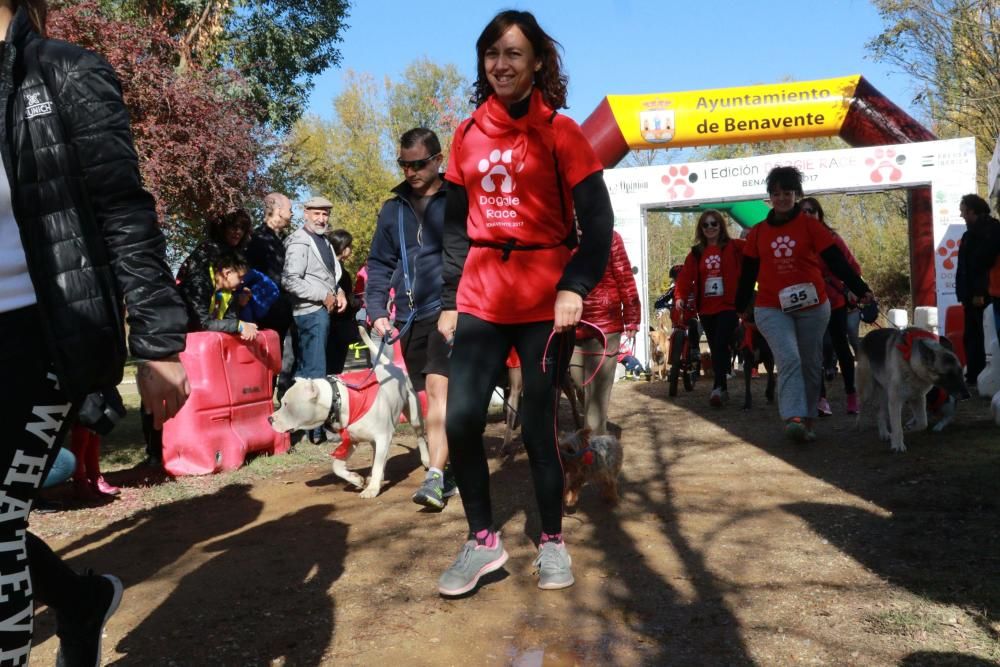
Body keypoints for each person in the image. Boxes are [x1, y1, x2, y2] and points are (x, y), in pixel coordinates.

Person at [0, 1, 191, 662]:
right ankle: (79, 602)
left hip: (50, 333)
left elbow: (123, 209)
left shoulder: (66, 74)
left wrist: (160, 341)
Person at [436, 10, 612, 596]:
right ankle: (483, 541)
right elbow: (455, 228)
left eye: (513, 53)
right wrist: (448, 296)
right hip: (482, 293)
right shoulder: (465, 134)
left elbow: (598, 222)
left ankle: (553, 544)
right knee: (459, 419)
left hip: (544, 299)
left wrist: (574, 286)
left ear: (538, 61)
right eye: (492, 53)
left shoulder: (562, 134)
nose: (501, 64)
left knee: (537, 425)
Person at [735, 166, 871, 443]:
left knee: (811, 363)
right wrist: (741, 305)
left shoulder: (811, 226)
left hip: (812, 305)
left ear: (796, 195)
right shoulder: (758, 233)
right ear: (769, 197)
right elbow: (748, 272)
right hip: (772, 306)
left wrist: (860, 289)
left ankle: (808, 418)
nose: (782, 198)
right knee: (789, 358)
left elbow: (836, 260)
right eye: (776, 193)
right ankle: (793, 417)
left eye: (787, 193)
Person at [366, 127, 456, 509]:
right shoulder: (393, 209)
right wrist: (375, 311)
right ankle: (449, 466)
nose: (411, 171)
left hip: (451, 311)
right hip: (407, 317)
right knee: (427, 396)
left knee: (439, 392)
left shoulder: (459, 200)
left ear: (438, 160)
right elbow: (380, 263)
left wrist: (457, 304)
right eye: (404, 164)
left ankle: (434, 475)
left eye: (418, 164)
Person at [282, 196, 348, 443]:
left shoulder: (323, 241)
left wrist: (338, 292)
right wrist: (323, 296)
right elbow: (289, 280)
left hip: (322, 312)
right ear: (305, 213)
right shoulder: (300, 241)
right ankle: (315, 429)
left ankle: (316, 426)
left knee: (318, 371)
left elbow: (330, 277)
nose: (321, 219)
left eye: (325, 214)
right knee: (314, 372)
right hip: (309, 312)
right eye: (316, 214)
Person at [569, 230, 640, 433]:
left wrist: (632, 319)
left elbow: (625, 277)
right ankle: (595, 430)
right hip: (572, 323)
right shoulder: (562, 236)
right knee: (580, 383)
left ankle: (595, 453)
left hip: (605, 324)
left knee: (597, 394)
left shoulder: (611, 237)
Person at [800, 197, 863, 415]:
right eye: (803, 211)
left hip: (834, 300)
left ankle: (851, 394)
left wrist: (856, 288)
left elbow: (853, 268)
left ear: (819, 214)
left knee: (840, 346)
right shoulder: (795, 241)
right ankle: (820, 398)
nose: (807, 214)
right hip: (807, 302)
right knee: (814, 349)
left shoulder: (832, 238)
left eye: (811, 211)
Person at [674, 210, 744, 406]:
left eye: (714, 224)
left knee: (721, 343)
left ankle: (718, 387)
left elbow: (758, 250)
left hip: (728, 306)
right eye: (706, 224)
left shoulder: (734, 247)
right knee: (715, 346)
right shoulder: (696, 253)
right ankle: (722, 387)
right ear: (701, 229)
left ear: (721, 226)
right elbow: (685, 277)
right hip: (706, 308)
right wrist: (679, 296)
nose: (710, 227)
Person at [954, 194, 1000, 388]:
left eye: (963, 210)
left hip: (984, 295)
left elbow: (985, 264)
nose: (961, 214)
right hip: (970, 295)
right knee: (971, 336)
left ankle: (984, 375)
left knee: (984, 337)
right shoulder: (969, 234)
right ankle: (974, 375)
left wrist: (980, 293)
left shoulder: (991, 230)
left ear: (972, 211)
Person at [178, 248, 260, 340]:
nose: (242, 282)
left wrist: (246, 327)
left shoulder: (229, 292)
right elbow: (201, 324)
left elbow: (230, 320)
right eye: (240, 277)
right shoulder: (198, 285)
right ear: (227, 273)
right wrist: (239, 326)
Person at [246, 192, 295, 345]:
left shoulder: (285, 239)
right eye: (290, 209)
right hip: (265, 311)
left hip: (283, 311)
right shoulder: (257, 239)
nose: (292, 213)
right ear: (279, 210)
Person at [326, 229, 359, 374]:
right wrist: (356, 303)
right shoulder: (337, 270)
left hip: (336, 325)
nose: (351, 249)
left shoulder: (337, 268)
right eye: (349, 246)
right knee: (334, 367)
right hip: (337, 326)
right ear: (343, 247)